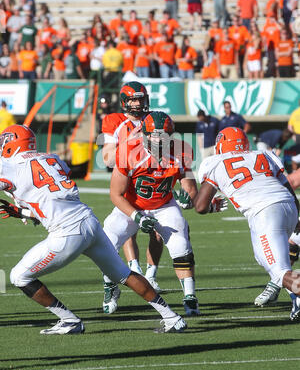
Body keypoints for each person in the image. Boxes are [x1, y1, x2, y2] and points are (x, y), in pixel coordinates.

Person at [0, 124, 187, 334]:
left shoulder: (8, 166)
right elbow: (51, 198)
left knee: (19, 276)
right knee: (123, 274)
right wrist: (24, 212)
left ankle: (69, 320)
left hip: (67, 231)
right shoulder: (51, 159)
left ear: (9, 144)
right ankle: (172, 317)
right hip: (89, 221)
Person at [102, 111, 220, 317]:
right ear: (144, 135)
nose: (159, 143)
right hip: (132, 205)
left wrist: (188, 199)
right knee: (107, 242)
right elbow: (115, 194)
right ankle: (110, 287)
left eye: (164, 138)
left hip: (164, 205)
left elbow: (190, 188)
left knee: (181, 244)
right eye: (154, 137)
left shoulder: (182, 151)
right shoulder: (128, 152)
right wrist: (136, 217)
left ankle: (190, 297)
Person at [194, 126, 300, 321]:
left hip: (265, 213)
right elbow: (288, 187)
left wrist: (197, 202)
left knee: (280, 272)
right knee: (265, 259)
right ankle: (296, 300)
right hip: (288, 206)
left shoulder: (216, 162)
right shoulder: (263, 154)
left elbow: (200, 206)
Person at [98, 81, 165, 309]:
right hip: (128, 185)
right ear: (125, 101)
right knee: (114, 238)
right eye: (134, 99)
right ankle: (118, 279)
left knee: (159, 233)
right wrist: (129, 141)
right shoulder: (114, 121)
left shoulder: (154, 118)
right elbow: (107, 158)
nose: (138, 103)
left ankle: (151, 274)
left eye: (140, 98)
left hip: (154, 182)